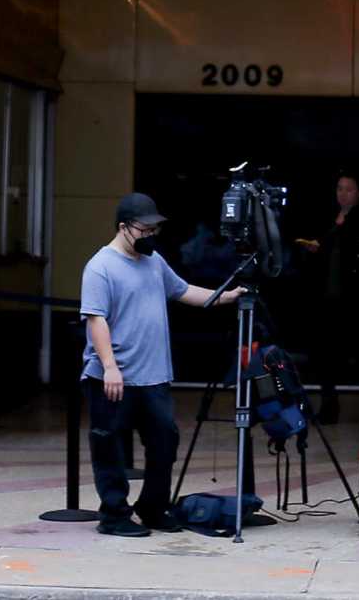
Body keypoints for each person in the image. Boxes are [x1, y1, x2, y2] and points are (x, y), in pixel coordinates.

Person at [81, 192, 244, 538]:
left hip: (154, 376)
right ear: (124, 228)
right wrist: (109, 366)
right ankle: (113, 515)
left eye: (155, 228)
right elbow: (95, 320)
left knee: (164, 443)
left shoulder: (154, 262)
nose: (151, 235)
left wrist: (224, 297)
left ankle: (153, 508)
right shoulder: (100, 267)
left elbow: (183, 290)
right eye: (145, 229)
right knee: (109, 446)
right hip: (114, 377)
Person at [296, 172, 359, 423]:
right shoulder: (327, 219)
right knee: (324, 353)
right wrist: (313, 249)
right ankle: (329, 405)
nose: (343, 193)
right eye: (339, 188)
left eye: (349, 189)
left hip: (356, 296)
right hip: (328, 294)